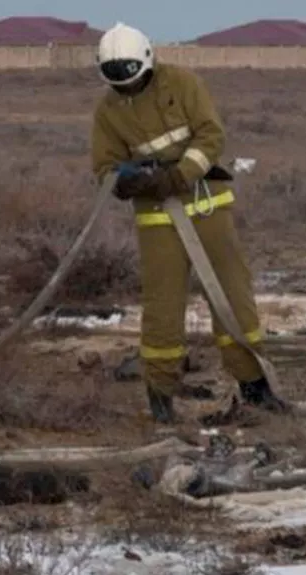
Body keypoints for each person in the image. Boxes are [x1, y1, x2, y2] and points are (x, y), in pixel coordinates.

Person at [90, 22, 287, 424]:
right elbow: (105, 167)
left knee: (232, 299)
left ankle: (255, 389)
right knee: (162, 310)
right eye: (118, 84)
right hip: (157, 219)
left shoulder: (182, 84)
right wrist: (126, 182)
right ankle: (161, 399)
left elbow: (210, 136)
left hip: (207, 206)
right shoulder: (108, 110)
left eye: (133, 81)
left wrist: (179, 175)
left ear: (147, 62)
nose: (127, 90)